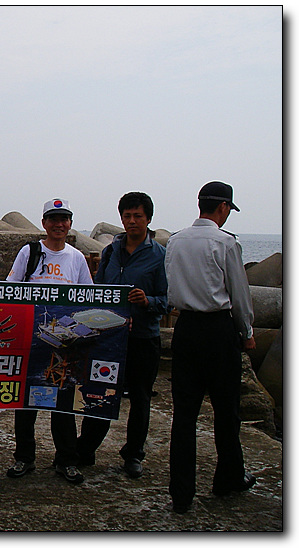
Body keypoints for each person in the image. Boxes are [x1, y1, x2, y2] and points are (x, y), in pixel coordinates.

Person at [165, 181, 256, 514]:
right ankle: (228, 477)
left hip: (186, 329)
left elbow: (171, 287)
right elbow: (239, 294)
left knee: (184, 415)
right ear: (223, 208)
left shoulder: (175, 241)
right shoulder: (226, 242)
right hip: (218, 330)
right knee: (226, 410)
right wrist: (246, 331)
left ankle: (181, 494)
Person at [75, 192, 170, 479]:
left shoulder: (160, 256)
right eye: (127, 216)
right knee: (99, 392)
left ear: (148, 219)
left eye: (137, 216)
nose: (131, 221)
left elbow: (168, 300)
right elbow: (98, 290)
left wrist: (148, 301)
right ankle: (86, 448)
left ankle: (134, 454)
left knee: (140, 398)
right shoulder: (111, 252)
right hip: (109, 337)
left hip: (143, 338)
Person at [5, 198, 94, 485]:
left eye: (64, 219)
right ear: (44, 223)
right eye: (53, 219)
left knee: (64, 404)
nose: (59, 224)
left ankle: (66, 460)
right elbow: (10, 290)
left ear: (70, 223)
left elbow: (88, 298)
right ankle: (24, 457)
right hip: (31, 342)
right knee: (26, 404)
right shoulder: (29, 252)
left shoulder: (76, 258)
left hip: (65, 346)